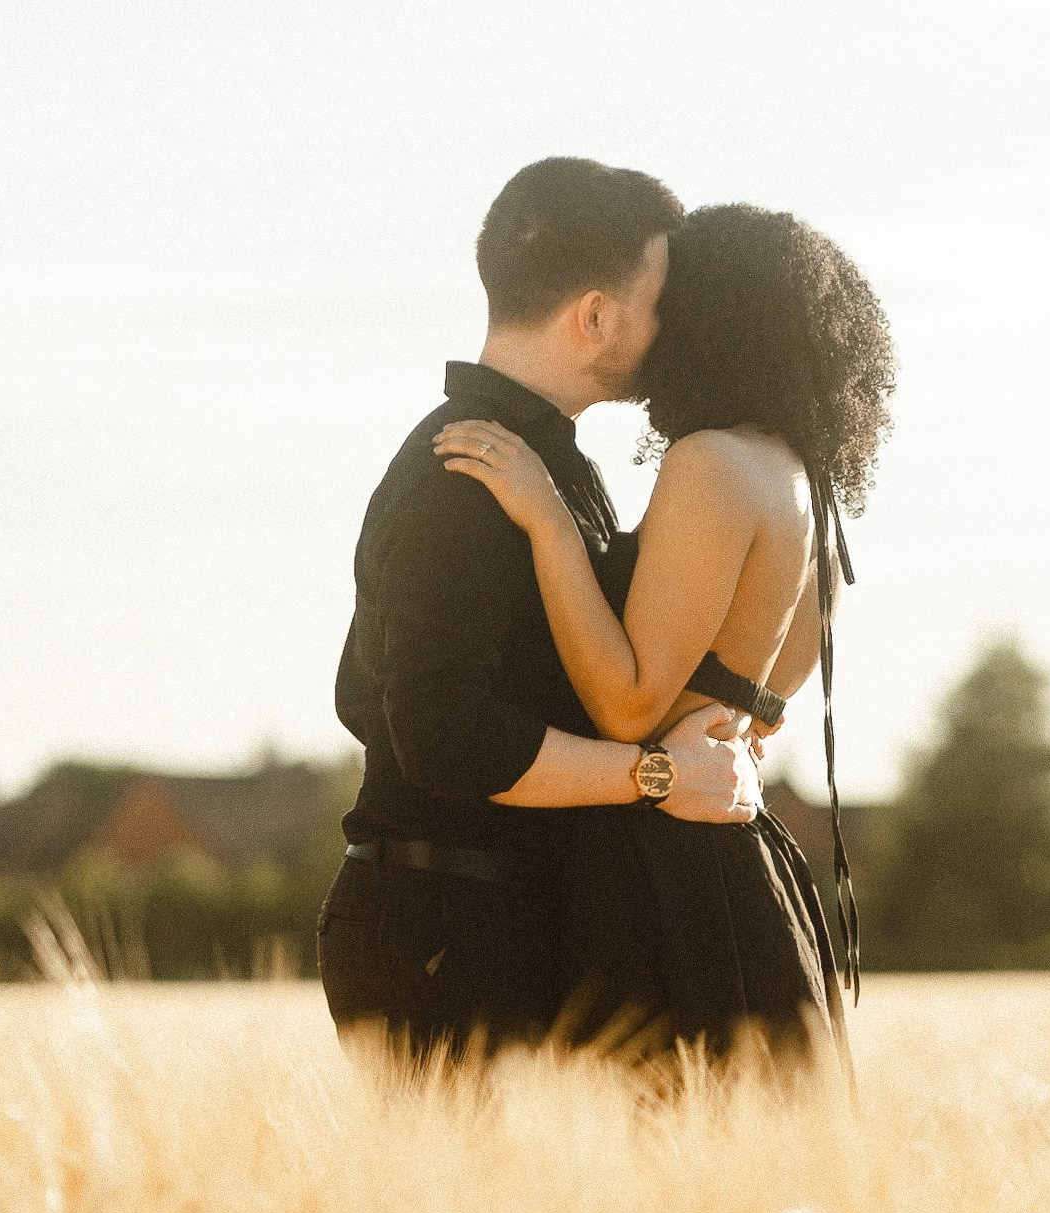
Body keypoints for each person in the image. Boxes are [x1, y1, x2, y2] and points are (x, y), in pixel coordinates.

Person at [320, 158, 765, 1063]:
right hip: (442, 927)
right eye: (660, 303)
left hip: (490, 919)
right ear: (595, 316)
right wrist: (658, 776)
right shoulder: (463, 475)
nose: (674, 329)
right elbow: (445, 734)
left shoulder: (542, 464)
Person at [433, 202, 896, 1066]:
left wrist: (547, 520)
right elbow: (756, 719)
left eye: (667, 301)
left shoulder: (713, 463)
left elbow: (628, 703)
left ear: (708, 319)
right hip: (750, 871)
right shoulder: (812, 493)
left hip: (657, 871)